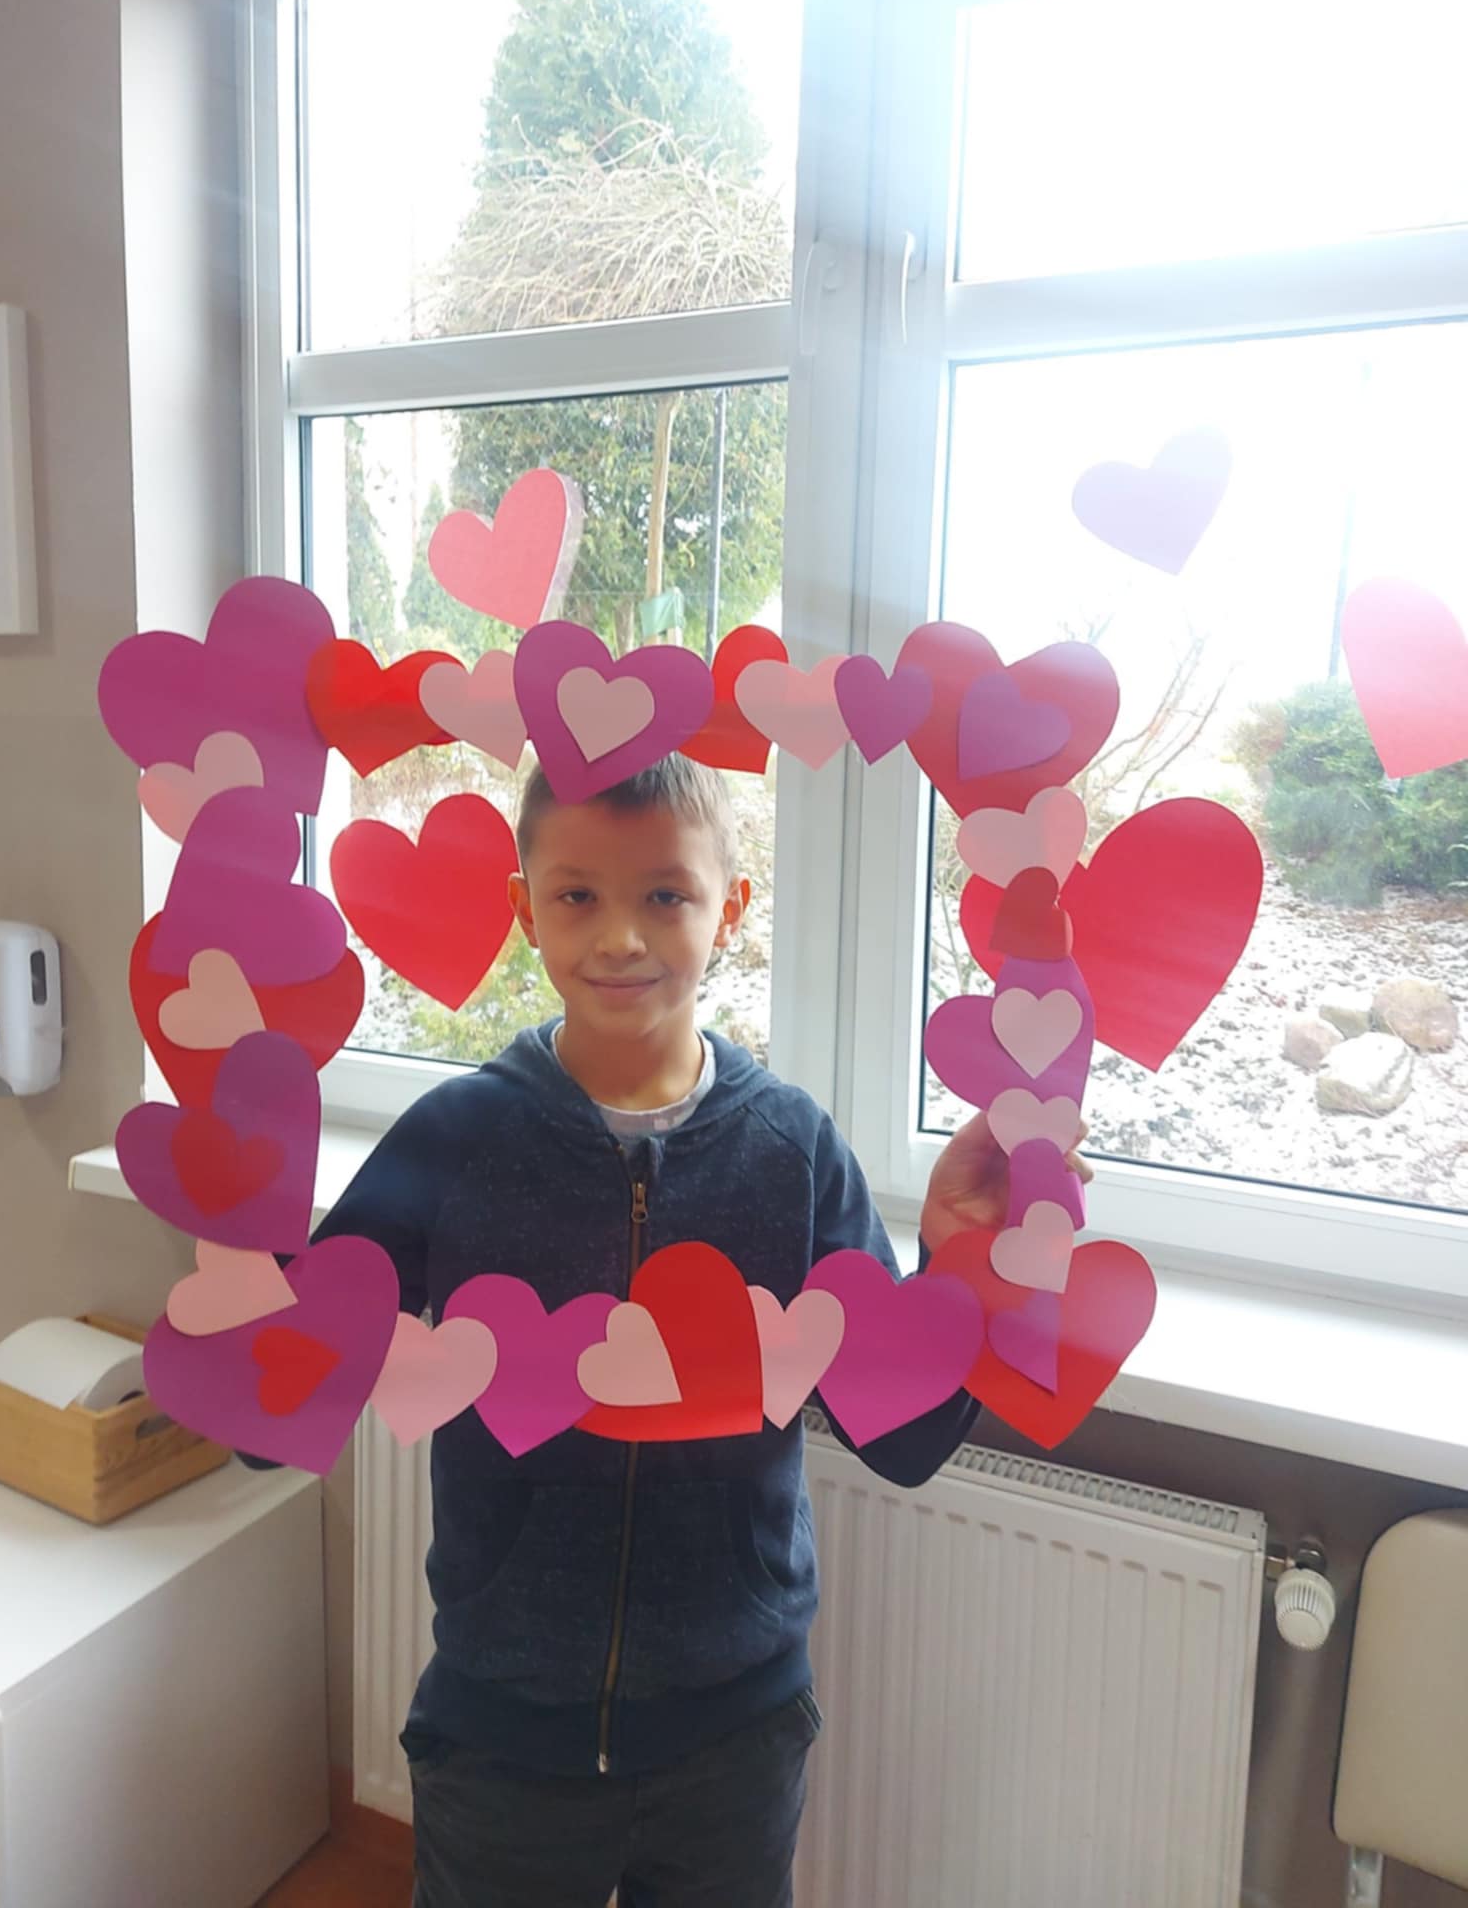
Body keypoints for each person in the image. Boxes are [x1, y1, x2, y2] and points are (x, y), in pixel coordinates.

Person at [303, 752, 1085, 1908]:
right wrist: (242, 1200)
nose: (621, 935)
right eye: (578, 894)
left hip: (735, 1741)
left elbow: (905, 1439)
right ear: (525, 909)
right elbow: (289, 1379)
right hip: (503, 1733)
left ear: (731, 907)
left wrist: (960, 1262)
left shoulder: (793, 1151)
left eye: (666, 893)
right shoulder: (456, 1139)